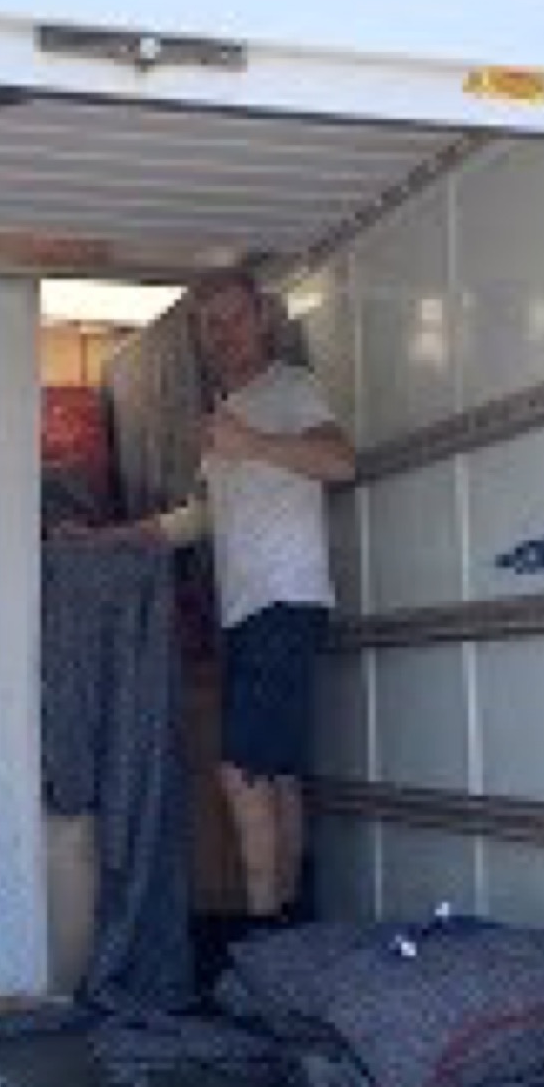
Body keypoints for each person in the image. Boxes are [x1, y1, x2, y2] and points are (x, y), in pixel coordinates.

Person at [147, 270, 356, 924]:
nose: (223, 334)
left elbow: (340, 462)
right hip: (246, 607)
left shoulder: (290, 388)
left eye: (234, 318)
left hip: (284, 597)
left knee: (242, 772)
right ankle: (289, 926)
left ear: (264, 319)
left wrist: (252, 444)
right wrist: (117, 539)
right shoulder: (223, 411)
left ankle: (265, 932)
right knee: (276, 771)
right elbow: (204, 516)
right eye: (211, 324)